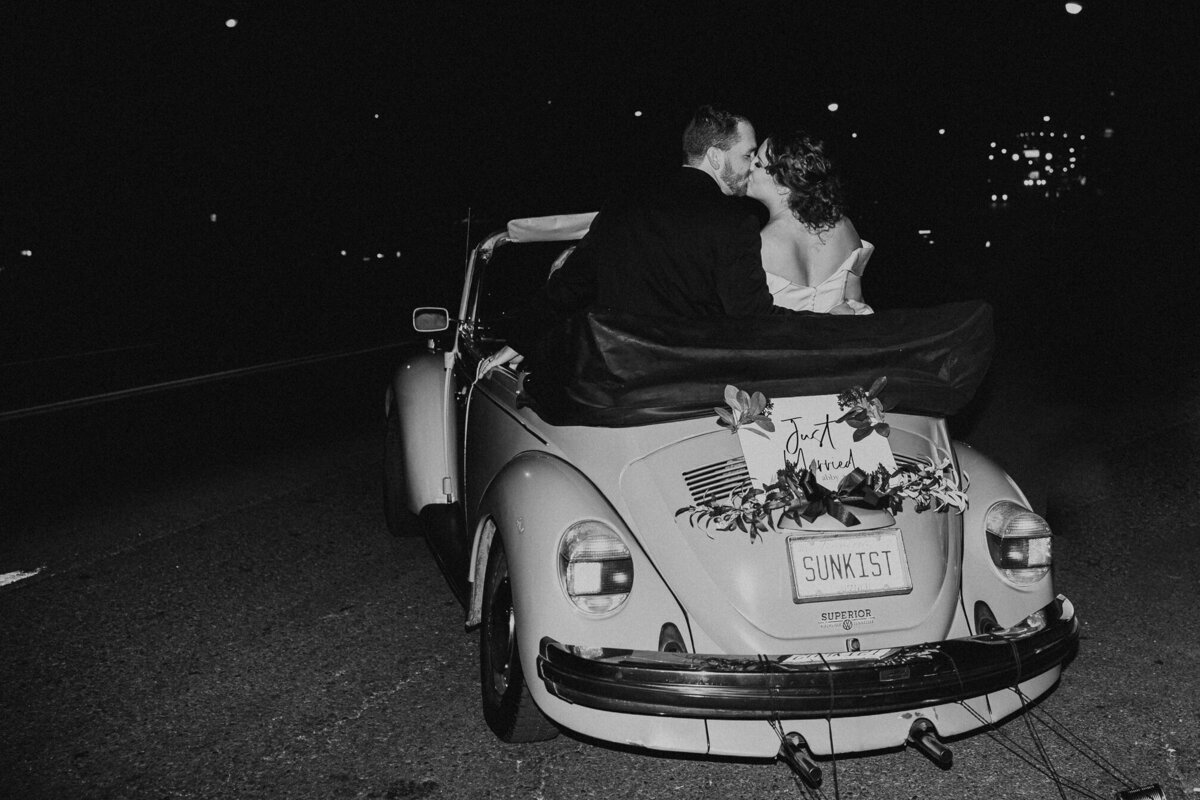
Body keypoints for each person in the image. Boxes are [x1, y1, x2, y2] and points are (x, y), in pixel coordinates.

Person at [542, 105, 787, 318]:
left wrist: (523, 336)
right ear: (715, 157)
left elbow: (574, 281)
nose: (752, 165)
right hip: (692, 368)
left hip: (620, 364)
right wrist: (822, 326)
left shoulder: (624, 202)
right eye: (748, 154)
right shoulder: (735, 221)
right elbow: (753, 316)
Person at [747, 131, 874, 314]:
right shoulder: (844, 228)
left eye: (758, 164)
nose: (749, 166)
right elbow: (856, 304)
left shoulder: (756, 245)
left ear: (783, 184)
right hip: (843, 340)